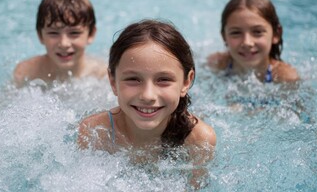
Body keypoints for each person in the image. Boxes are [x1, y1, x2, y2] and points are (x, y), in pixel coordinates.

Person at [78, 19, 216, 189]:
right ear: (113, 82)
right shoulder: (95, 132)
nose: (148, 95)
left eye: (163, 80)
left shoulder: (198, 139)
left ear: (186, 82)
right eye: (133, 79)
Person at [13, 0, 107, 87]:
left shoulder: (102, 75)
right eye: (53, 33)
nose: (64, 43)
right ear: (40, 36)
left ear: (91, 34)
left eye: (74, 33)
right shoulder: (26, 72)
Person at [207, 0, 299, 83]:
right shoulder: (216, 64)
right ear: (224, 37)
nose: (247, 42)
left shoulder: (286, 79)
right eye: (236, 32)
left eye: (257, 32)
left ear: (276, 34)